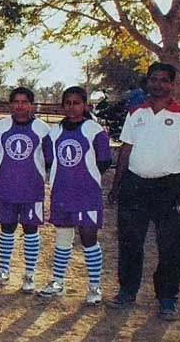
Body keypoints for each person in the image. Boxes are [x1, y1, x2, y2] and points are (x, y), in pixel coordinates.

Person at [108, 62, 180, 321]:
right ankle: (127, 290)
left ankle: (167, 299)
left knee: (170, 246)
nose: (158, 84)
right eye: (153, 79)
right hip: (134, 186)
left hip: (168, 188)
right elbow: (125, 151)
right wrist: (116, 187)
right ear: (147, 82)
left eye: (163, 80)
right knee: (130, 242)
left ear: (172, 84)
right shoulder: (135, 113)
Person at [37, 86, 111, 306]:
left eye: (76, 103)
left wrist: (85, 178)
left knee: (88, 239)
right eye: (68, 103)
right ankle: (57, 282)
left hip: (87, 193)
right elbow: (49, 160)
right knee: (62, 238)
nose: (72, 107)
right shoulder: (54, 132)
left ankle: (94, 286)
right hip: (62, 192)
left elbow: (104, 161)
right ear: (62, 106)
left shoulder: (94, 130)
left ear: (85, 105)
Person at [0, 87, 52, 293]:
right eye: (16, 102)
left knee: (30, 230)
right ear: (10, 104)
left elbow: (48, 158)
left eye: (24, 102)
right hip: (6, 187)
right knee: (6, 229)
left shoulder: (43, 129)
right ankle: (3, 270)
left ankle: (29, 275)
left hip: (32, 190)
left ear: (31, 105)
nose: (20, 106)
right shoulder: (1, 127)